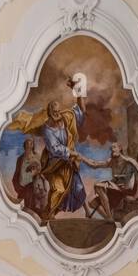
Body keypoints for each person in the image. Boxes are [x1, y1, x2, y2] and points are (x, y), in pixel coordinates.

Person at [8, 79, 105, 221]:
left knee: (77, 188)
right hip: (55, 165)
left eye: (58, 111)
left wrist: (77, 92)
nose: (57, 114)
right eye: (54, 111)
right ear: (49, 112)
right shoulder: (46, 129)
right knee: (58, 190)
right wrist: (72, 153)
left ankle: (87, 210)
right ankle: (50, 214)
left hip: (69, 163)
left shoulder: (66, 118)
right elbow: (55, 148)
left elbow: (81, 111)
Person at [86, 143, 138, 224]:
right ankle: (110, 220)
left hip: (125, 190)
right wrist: (82, 158)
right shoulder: (112, 162)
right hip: (115, 190)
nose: (112, 150)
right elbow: (95, 164)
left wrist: (135, 197)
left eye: (114, 147)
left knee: (98, 186)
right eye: (111, 148)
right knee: (92, 203)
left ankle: (109, 217)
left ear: (120, 148)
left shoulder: (130, 162)